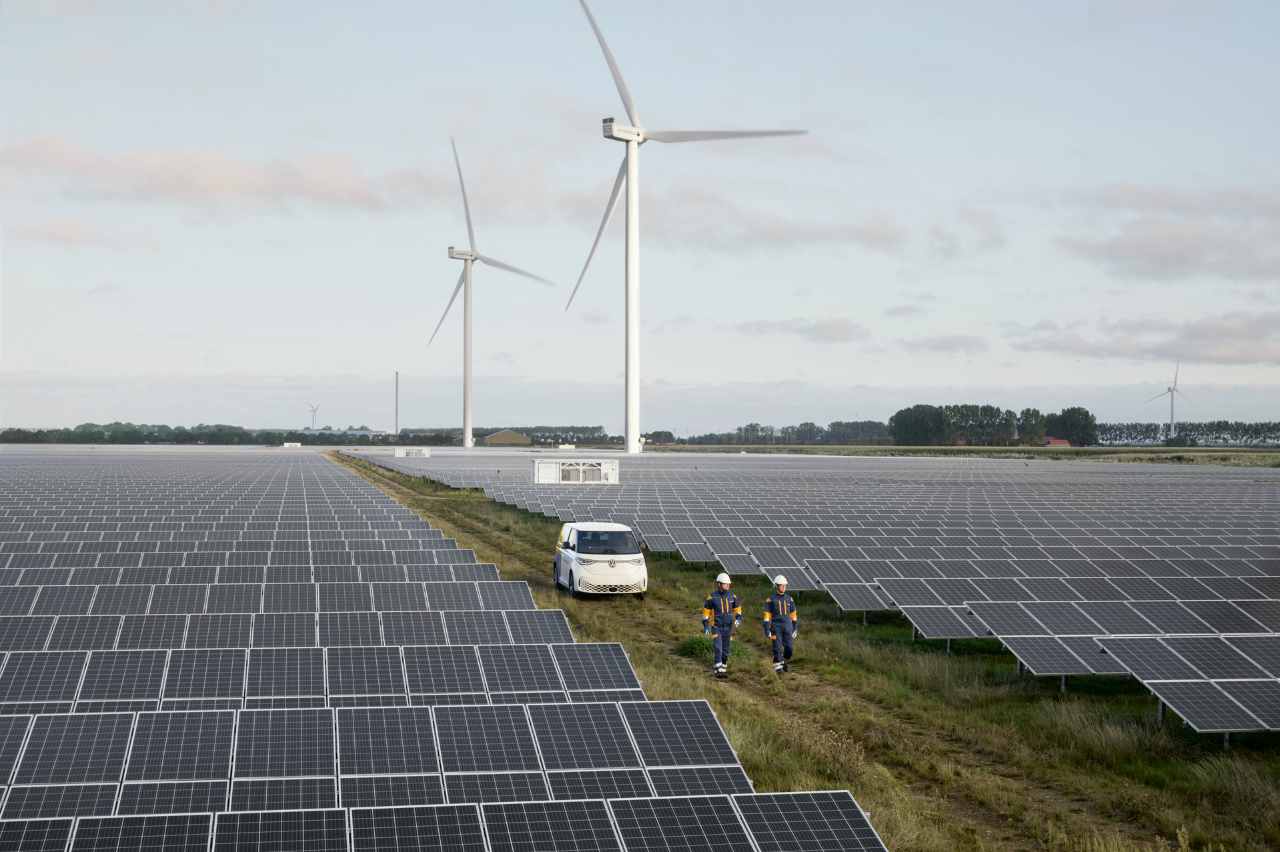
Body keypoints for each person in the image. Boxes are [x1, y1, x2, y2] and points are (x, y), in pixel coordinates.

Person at [701, 572, 742, 678]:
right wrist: (706, 626)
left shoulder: (733, 597)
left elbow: (738, 610)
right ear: (719, 584)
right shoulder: (711, 598)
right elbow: (705, 614)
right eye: (725, 584)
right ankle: (718, 669)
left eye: (729, 584)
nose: (728, 586)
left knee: (725, 650)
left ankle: (723, 669)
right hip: (716, 627)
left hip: (728, 628)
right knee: (718, 648)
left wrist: (738, 618)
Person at [762, 574, 798, 673]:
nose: (783, 587)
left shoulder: (789, 599)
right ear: (776, 586)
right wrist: (767, 629)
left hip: (788, 627)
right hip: (775, 628)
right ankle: (778, 667)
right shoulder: (770, 600)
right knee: (777, 647)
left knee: (789, 649)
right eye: (781, 585)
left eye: (785, 585)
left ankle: (783, 661)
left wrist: (795, 628)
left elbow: (793, 615)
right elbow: (766, 617)